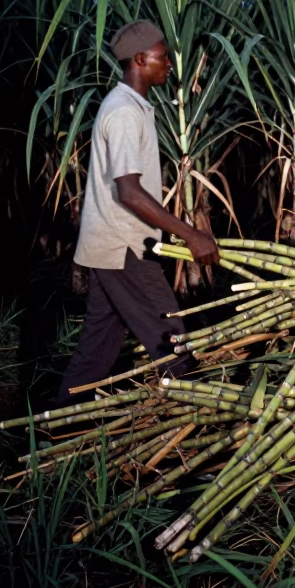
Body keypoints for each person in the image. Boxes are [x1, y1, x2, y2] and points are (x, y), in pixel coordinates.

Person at [55, 20, 219, 406]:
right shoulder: (125, 113)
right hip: (122, 246)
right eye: (163, 58)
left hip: (112, 245)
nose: (169, 66)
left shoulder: (131, 106)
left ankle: (53, 436)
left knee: (97, 350)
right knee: (171, 337)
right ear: (140, 60)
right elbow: (129, 191)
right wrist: (191, 234)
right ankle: (195, 423)